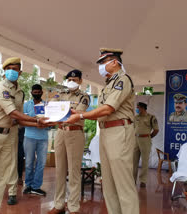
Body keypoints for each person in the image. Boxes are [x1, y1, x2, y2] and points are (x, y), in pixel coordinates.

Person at [66, 48, 139, 214]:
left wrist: (81, 116)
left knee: (123, 183)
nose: (100, 66)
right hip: (106, 132)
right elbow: (100, 111)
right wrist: (79, 114)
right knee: (109, 184)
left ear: (114, 62)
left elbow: (108, 109)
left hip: (119, 132)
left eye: (103, 62)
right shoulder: (108, 84)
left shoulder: (123, 80)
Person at [0, 57, 48, 214]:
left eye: (15, 69)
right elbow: (13, 112)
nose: (12, 72)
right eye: (9, 69)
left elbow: (18, 119)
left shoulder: (19, 93)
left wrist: (38, 124)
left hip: (9, 135)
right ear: (4, 71)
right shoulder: (0, 88)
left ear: (20, 72)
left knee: (1, 177)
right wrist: (37, 119)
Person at [48, 69, 90, 214]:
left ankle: (73, 207)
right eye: (70, 79)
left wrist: (60, 110)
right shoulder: (61, 94)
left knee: (74, 171)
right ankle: (58, 205)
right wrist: (59, 110)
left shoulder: (84, 96)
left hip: (74, 133)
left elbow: (78, 112)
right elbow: (51, 107)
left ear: (80, 81)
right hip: (60, 132)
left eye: (75, 79)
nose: (72, 81)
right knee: (59, 170)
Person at [19, 84, 49, 196]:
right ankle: (28, 185)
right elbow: (22, 121)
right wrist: (36, 123)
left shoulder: (47, 105)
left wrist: (47, 124)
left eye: (38, 92)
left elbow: (50, 121)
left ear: (42, 92)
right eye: (34, 92)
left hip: (43, 139)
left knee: (41, 164)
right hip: (29, 137)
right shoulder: (26, 105)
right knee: (28, 163)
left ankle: (36, 187)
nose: (36, 93)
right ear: (31, 92)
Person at [133, 102, 159, 188]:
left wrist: (149, 137)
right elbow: (133, 128)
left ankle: (143, 181)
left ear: (143, 108)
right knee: (134, 161)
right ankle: (133, 179)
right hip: (136, 140)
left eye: (138, 107)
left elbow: (156, 130)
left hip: (145, 140)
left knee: (144, 161)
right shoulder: (136, 117)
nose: (137, 109)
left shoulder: (151, 117)